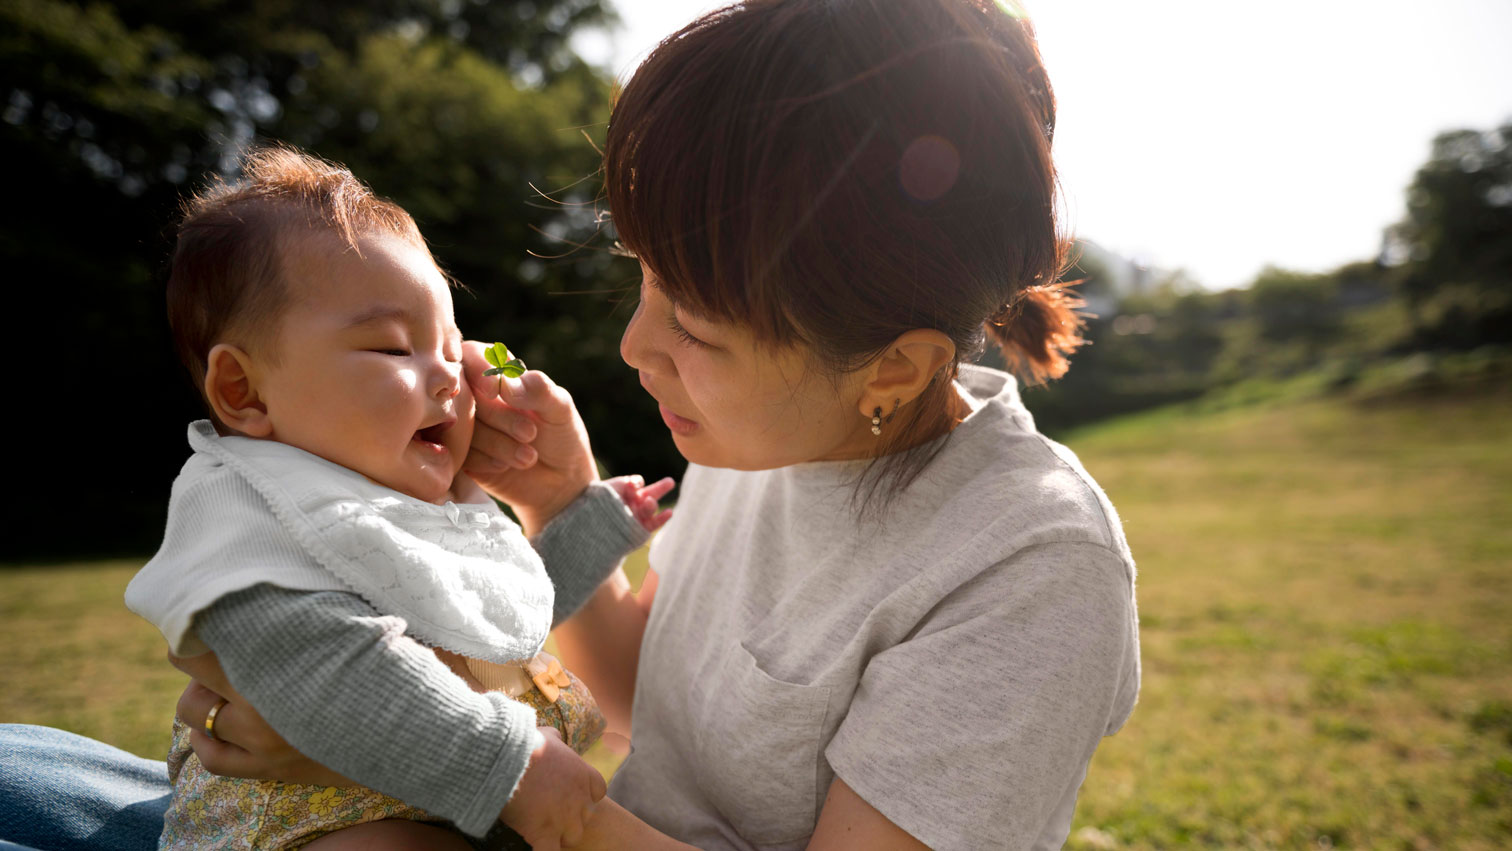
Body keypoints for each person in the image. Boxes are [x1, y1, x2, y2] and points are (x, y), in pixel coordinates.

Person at [0, 1, 1140, 848]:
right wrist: (555, 503)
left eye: (697, 326)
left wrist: (436, 765)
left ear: (893, 366)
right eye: (644, 276)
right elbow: (670, 710)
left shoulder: (1027, 569)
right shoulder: (781, 429)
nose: (637, 347)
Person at [125, 145, 673, 850]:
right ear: (243, 391)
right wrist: (512, 769)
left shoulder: (405, 497)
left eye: (450, 348)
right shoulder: (248, 507)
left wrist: (586, 524)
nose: (447, 378)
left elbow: (479, 617)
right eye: (392, 349)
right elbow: (319, 664)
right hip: (302, 824)